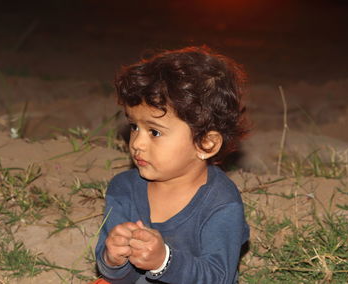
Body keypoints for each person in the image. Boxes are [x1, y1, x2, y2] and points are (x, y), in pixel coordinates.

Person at [94, 46, 250, 284]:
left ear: (206, 144)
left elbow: (219, 277)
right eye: (134, 126)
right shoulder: (123, 189)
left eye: (154, 132)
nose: (137, 143)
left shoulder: (221, 203)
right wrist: (113, 259)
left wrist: (164, 261)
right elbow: (116, 277)